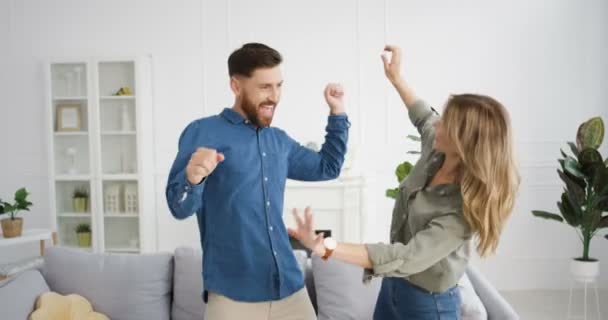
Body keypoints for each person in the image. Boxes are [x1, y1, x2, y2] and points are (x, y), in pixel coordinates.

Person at [289, 45, 520, 320]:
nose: (438, 124)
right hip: (393, 287)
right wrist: (396, 78)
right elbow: (423, 115)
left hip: (428, 306)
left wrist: (323, 246)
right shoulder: (438, 150)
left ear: (463, 141)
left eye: (447, 122)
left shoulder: (461, 211)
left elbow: (405, 257)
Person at [165, 42, 350, 320]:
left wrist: (337, 113)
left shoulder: (279, 141)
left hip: (289, 290)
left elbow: (328, 167)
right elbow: (179, 208)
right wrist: (192, 177)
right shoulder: (202, 131)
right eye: (265, 87)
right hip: (231, 297)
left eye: (279, 86)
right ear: (236, 86)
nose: (274, 96)